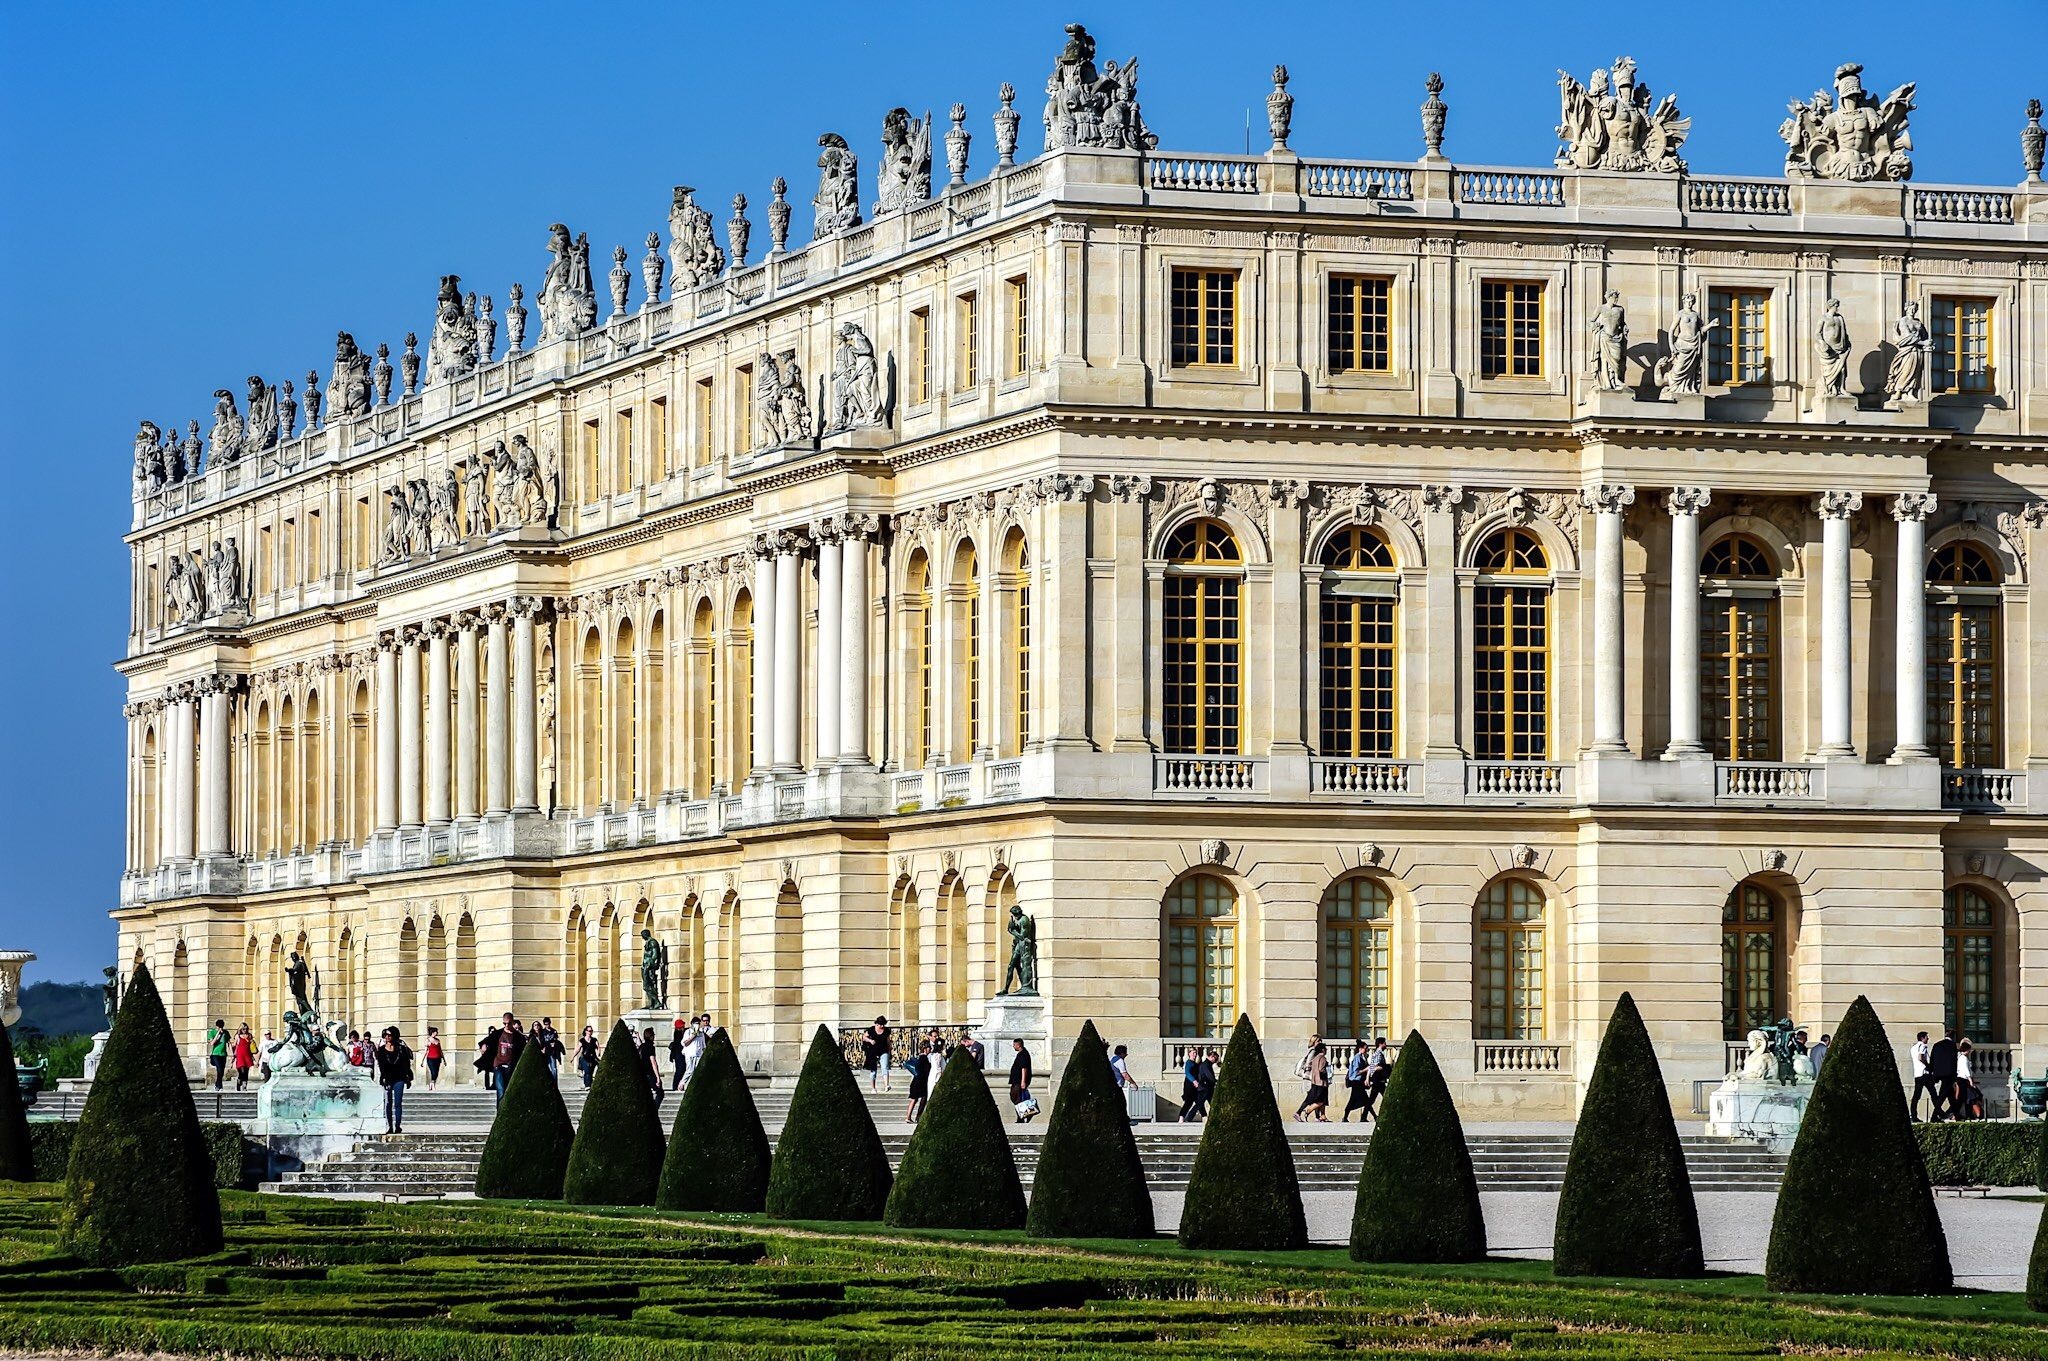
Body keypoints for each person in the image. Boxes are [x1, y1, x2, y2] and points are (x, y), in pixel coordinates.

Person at [373, 1026, 414, 1135]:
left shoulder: (401, 1048)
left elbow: (406, 1064)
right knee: (388, 1103)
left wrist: (408, 1077)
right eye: (385, 1035)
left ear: (394, 1036)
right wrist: (383, 1078)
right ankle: (390, 1126)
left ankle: (398, 1126)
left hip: (399, 1077)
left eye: (389, 1035)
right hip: (388, 1078)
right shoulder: (381, 1050)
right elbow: (381, 1066)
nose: (387, 1037)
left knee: (398, 1103)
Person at [482, 1013, 525, 1104]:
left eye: (508, 1023)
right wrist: (484, 1045)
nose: (506, 1025)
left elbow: (522, 1052)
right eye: (504, 1023)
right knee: (500, 1091)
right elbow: (486, 1040)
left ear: (512, 1022)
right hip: (499, 1066)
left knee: (509, 1092)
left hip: (511, 1067)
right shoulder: (498, 1033)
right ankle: (500, 1115)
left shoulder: (518, 1037)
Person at [1924, 1030, 1959, 1122]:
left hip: (1938, 1073)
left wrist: (1932, 1071)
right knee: (1942, 1097)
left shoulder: (1937, 1045)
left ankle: (1958, 1116)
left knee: (1950, 1096)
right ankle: (1934, 1117)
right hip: (1949, 1074)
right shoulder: (1952, 1045)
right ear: (1953, 1037)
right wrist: (1955, 1075)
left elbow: (1932, 1059)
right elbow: (1953, 1061)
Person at [1294, 1037, 1331, 1122]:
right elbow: (1316, 1068)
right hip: (1316, 1081)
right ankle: (1307, 1111)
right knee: (1318, 1099)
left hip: (1314, 1080)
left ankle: (1320, 1116)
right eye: (1318, 1041)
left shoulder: (1316, 1056)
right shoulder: (1317, 1054)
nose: (1320, 1042)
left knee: (1314, 1099)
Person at [1360, 1037, 1392, 1120]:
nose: (1386, 1045)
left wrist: (1367, 1078)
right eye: (1384, 1043)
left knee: (1373, 1099)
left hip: (1378, 1080)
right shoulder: (1378, 1053)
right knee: (1385, 1097)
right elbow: (1373, 1067)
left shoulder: (1378, 1053)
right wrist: (1383, 1068)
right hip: (1378, 1080)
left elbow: (1371, 1067)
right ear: (1380, 1044)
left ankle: (1364, 1116)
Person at [1909, 1031, 1938, 1121]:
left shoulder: (1913, 1048)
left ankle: (1914, 1116)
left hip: (1917, 1074)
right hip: (1924, 1073)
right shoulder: (1923, 1046)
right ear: (1922, 1038)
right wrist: (1928, 1066)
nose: (1928, 1039)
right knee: (1933, 1094)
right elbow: (1920, 1057)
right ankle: (1938, 1113)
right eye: (1926, 1037)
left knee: (1916, 1096)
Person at [861, 1015, 893, 1092]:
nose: (882, 1026)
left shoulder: (886, 1030)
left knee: (884, 1067)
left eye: (883, 1025)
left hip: (883, 1050)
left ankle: (886, 1085)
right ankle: (873, 1088)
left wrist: (889, 1052)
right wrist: (870, 1041)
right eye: (881, 1025)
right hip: (872, 1051)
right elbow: (864, 1037)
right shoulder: (871, 1029)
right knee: (873, 1070)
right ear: (877, 1024)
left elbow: (888, 1041)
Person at [1340, 1044, 1371, 1122]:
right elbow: (1356, 1072)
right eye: (1365, 1048)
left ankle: (1346, 1117)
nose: (1367, 1050)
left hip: (1358, 1082)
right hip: (1356, 1082)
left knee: (1362, 1100)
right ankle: (1346, 1117)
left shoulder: (1362, 1058)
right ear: (1360, 1049)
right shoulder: (1357, 1058)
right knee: (1363, 1100)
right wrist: (1366, 1069)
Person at [1954, 1039, 1983, 1121]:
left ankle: (1968, 1114)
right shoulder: (1963, 1058)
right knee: (1963, 1098)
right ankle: (1962, 1114)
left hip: (1962, 1079)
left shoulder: (1961, 1057)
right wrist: (1970, 1080)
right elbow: (1966, 1070)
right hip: (1963, 1080)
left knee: (1966, 1098)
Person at [904, 1041, 932, 1124]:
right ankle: (917, 1117)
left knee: (914, 1099)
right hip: (920, 1082)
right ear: (925, 1049)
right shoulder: (924, 1058)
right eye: (929, 1048)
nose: (930, 1049)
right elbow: (925, 1070)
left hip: (916, 1082)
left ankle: (909, 1117)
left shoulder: (921, 1058)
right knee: (922, 1099)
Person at [1010, 1038, 1037, 1122]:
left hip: (1019, 1081)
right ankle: (1022, 1115)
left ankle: (1022, 1117)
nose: (1013, 1046)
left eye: (1014, 1045)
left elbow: (1024, 1068)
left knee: (1018, 1099)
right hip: (1016, 1081)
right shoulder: (1021, 1054)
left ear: (1018, 1045)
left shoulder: (1023, 1054)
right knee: (1016, 1098)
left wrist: (1023, 1081)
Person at [639, 1026, 663, 1104]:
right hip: (650, 1073)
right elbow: (653, 1062)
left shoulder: (641, 1046)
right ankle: (654, 1112)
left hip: (642, 1073)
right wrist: (658, 1077)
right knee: (660, 1093)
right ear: (651, 1036)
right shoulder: (651, 1047)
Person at [1179, 1050, 1205, 1121]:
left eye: (1196, 1053)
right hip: (1189, 1086)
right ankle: (1181, 1118)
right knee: (1188, 1102)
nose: (1195, 1054)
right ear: (1189, 1054)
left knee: (1199, 1102)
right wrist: (1194, 1081)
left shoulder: (1195, 1064)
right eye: (1193, 1053)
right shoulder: (1189, 1063)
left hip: (1196, 1086)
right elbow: (1187, 1073)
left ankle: (1204, 1117)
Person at [207, 1020, 230, 1090]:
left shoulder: (226, 1032)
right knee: (219, 1069)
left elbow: (228, 1043)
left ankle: (217, 1084)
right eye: (219, 1027)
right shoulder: (212, 1032)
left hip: (223, 1054)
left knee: (222, 1071)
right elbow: (212, 1043)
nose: (221, 1028)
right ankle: (219, 1086)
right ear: (217, 1026)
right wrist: (218, 1034)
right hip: (215, 1054)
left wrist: (232, 1054)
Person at [232, 1024, 256, 1090]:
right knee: (241, 1071)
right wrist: (233, 1056)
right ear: (240, 1029)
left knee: (246, 1071)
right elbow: (235, 1045)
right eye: (243, 1029)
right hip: (240, 1056)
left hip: (247, 1055)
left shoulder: (249, 1036)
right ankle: (239, 1083)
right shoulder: (238, 1036)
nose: (244, 1030)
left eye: (245, 1029)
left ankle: (244, 1086)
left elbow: (251, 1045)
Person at [668, 1019, 689, 1091]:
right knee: (679, 1071)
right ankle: (675, 1086)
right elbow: (679, 1044)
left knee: (683, 1070)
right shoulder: (677, 1033)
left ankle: (679, 1085)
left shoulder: (685, 1031)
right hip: (678, 1055)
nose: (681, 1028)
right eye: (679, 1027)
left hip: (683, 1054)